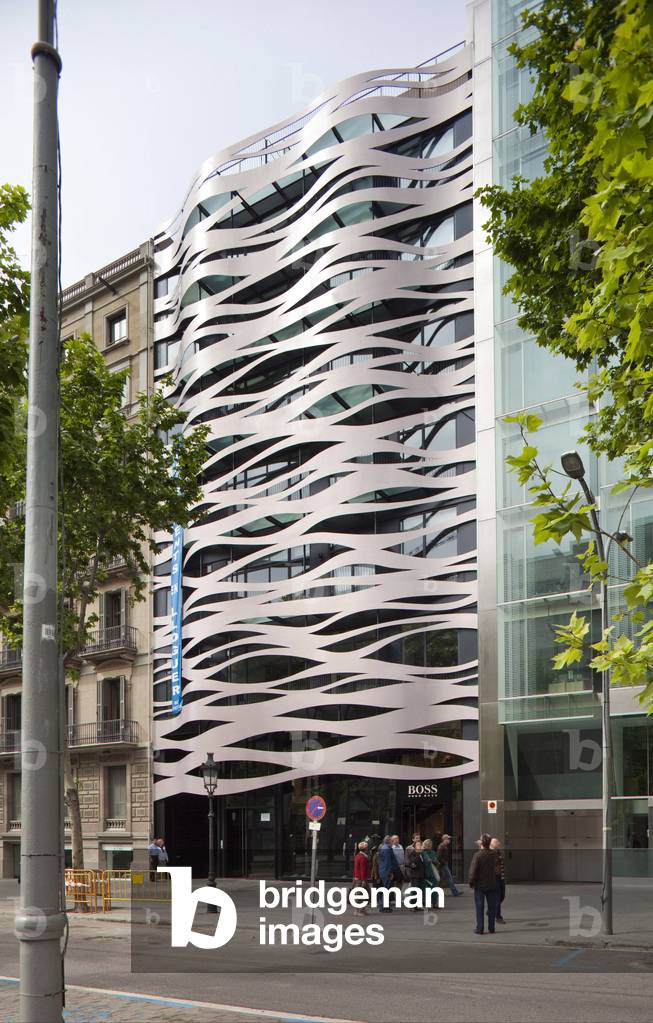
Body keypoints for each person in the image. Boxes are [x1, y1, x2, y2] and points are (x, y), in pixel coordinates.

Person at [468, 833, 499, 934]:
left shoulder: (477, 855)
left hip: (480, 885)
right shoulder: (494, 854)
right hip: (492, 884)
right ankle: (491, 927)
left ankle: (480, 928)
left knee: (479, 907)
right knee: (492, 908)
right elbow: (497, 868)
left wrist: (471, 882)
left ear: (481, 843)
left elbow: (473, 871)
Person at [377, 835, 401, 912]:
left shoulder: (384, 848)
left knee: (386, 888)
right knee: (387, 889)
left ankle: (383, 906)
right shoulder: (387, 849)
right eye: (392, 840)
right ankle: (385, 907)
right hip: (386, 871)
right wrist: (390, 873)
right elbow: (388, 862)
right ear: (389, 841)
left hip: (383, 871)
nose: (393, 842)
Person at [404, 838, 426, 910]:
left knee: (420, 890)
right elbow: (411, 863)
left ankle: (418, 905)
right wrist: (418, 854)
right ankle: (412, 905)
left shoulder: (422, 854)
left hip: (421, 874)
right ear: (415, 846)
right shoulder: (413, 853)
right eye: (418, 845)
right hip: (415, 875)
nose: (420, 846)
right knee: (415, 891)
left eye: (420, 845)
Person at [352, 840, 370, 916]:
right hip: (361, 879)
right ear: (365, 849)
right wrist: (363, 880)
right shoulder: (363, 858)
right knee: (361, 894)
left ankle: (362, 909)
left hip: (357, 878)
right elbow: (362, 870)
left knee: (362, 894)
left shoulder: (357, 856)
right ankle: (358, 910)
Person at [490, 837, 506, 923]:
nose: (499, 843)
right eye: (497, 842)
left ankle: (491, 910)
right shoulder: (491, 853)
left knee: (502, 896)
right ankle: (498, 916)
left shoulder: (498, 852)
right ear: (492, 844)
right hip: (495, 877)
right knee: (497, 897)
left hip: (501, 877)